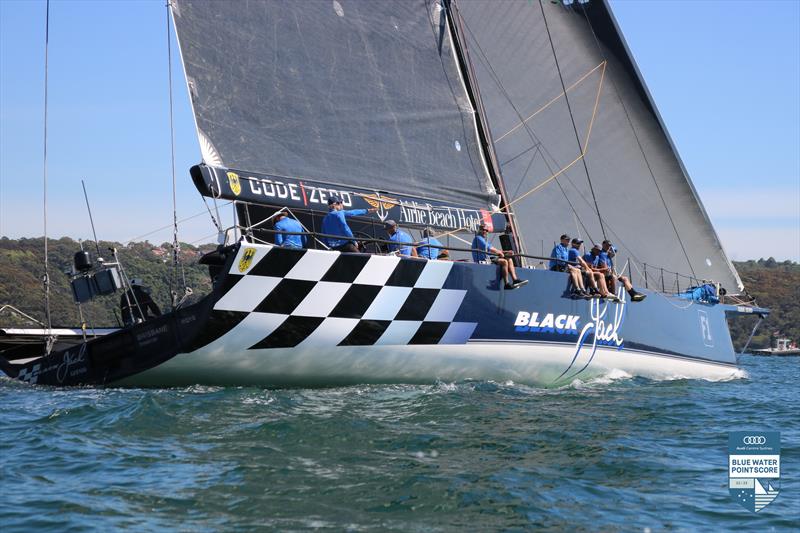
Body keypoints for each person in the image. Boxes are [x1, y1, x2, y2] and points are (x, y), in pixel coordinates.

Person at [472, 223, 528, 290]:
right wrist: (499, 252)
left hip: (487, 259)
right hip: (482, 261)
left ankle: (515, 280)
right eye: (483, 230)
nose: (485, 232)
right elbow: (490, 249)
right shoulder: (478, 238)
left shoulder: (484, 240)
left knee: (509, 259)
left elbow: (492, 249)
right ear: (480, 230)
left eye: (487, 230)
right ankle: (506, 284)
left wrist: (506, 252)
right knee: (504, 261)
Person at [550, 234, 588, 298]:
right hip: (557, 266)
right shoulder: (558, 247)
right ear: (562, 240)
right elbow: (558, 259)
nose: (568, 241)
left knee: (578, 270)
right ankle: (577, 289)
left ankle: (582, 289)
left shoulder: (567, 249)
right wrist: (568, 265)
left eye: (569, 240)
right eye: (566, 240)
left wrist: (571, 265)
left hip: (564, 266)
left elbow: (566, 260)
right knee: (574, 271)